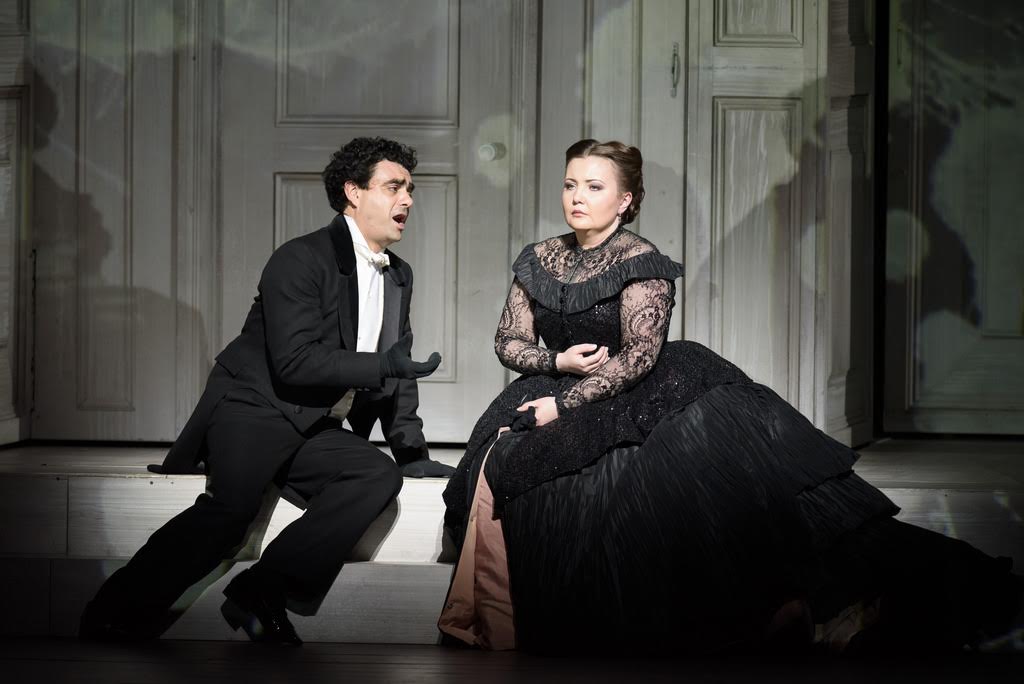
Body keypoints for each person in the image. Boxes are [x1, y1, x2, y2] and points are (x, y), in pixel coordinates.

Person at [438, 139, 1023, 654]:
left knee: (685, 481)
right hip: (556, 379)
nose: (577, 197)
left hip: (636, 386)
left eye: (594, 187)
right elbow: (508, 341)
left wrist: (565, 403)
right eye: (571, 184)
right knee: (508, 464)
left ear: (625, 201)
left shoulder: (641, 262)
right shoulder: (540, 258)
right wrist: (557, 363)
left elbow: (639, 356)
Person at [81, 137, 453, 646]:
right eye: (393, 187)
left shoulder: (398, 275)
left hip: (312, 423)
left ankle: (261, 591)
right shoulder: (300, 258)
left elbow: (398, 366)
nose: (407, 199)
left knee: (374, 474)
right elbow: (295, 360)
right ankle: (112, 611)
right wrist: (380, 365)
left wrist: (411, 453)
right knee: (230, 513)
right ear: (353, 192)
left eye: (410, 188)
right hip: (255, 407)